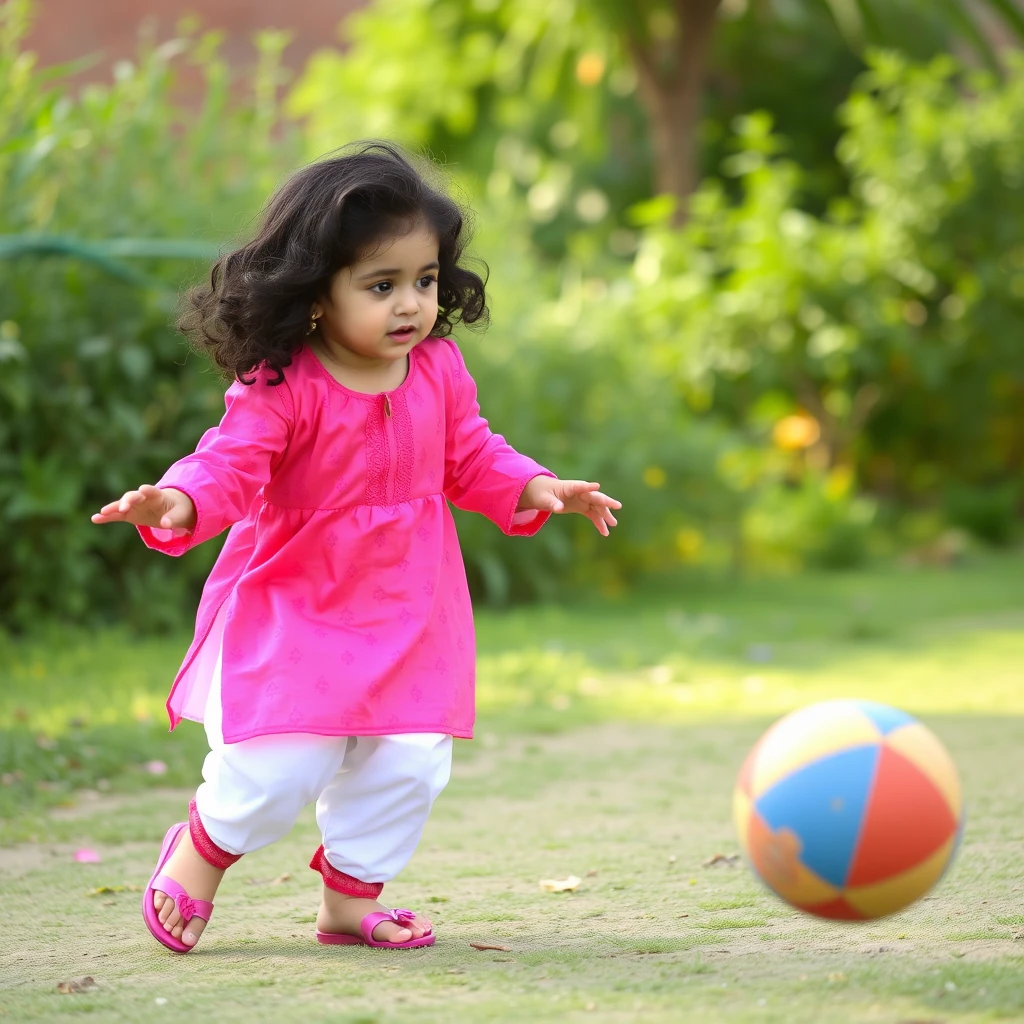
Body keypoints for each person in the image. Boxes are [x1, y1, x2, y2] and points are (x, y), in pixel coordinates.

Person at [91, 141, 621, 954]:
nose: (409, 304)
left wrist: (536, 487)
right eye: (381, 286)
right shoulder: (282, 386)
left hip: (410, 605)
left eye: (424, 280)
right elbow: (228, 464)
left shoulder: (438, 370)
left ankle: (348, 900)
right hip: (298, 604)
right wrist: (176, 499)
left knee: (409, 761)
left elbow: (472, 454)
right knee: (280, 770)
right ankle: (199, 856)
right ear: (315, 295)